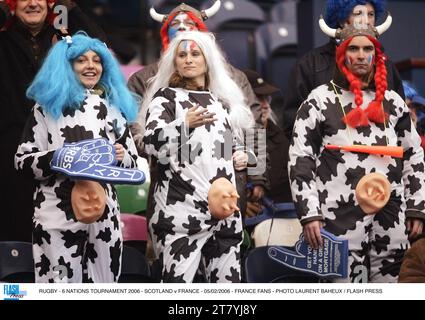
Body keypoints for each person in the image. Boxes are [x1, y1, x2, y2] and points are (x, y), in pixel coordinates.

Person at [288, 15, 425, 282]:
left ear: (376, 55)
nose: (361, 55)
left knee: (394, 285)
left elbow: (414, 156)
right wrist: (309, 213)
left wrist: (416, 207)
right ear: (342, 54)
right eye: (353, 48)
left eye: (367, 49)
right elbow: (300, 159)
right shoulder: (318, 100)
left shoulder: (394, 102)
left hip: (391, 214)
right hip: (337, 216)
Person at [14, 33, 140, 283]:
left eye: (96, 60)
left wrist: (120, 156)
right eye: (81, 60)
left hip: (103, 218)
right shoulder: (46, 108)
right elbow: (22, 161)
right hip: (57, 215)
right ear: (66, 67)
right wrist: (60, 157)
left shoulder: (112, 108)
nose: (91, 65)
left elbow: (133, 164)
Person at [128, 0, 267, 220]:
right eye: (176, 24)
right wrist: (169, 149)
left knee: (226, 246)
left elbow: (254, 125)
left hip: (226, 183)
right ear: (166, 33)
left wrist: (256, 172)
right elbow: (134, 132)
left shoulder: (234, 78)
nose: (182, 28)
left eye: (189, 23)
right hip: (174, 186)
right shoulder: (143, 80)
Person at [143, 31, 254, 283]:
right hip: (181, 215)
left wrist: (242, 156)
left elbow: (235, 146)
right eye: (182, 55)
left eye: (195, 54)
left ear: (207, 61)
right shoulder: (165, 98)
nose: (188, 60)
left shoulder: (222, 103)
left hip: (224, 213)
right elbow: (150, 144)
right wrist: (183, 124)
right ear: (175, 61)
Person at [0, 0, 107, 243]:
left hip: (56, 148)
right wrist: (3, 10)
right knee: (13, 232)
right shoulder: (4, 38)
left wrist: (67, 6)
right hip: (8, 149)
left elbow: (98, 45)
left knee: (59, 233)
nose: (33, 3)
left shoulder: (62, 37)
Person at [281, 0, 404, 140]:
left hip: (382, 159)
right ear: (340, 19)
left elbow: (402, 124)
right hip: (329, 158)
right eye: (358, 13)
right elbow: (293, 124)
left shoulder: (386, 66)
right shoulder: (310, 64)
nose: (366, 20)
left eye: (371, 14)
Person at [243, 69, 292, 217]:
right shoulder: (226, 137)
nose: (264, 105)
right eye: (257, 98)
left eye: (266, 98)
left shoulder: (279, 136)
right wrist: (239, 206)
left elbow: (286, 188)